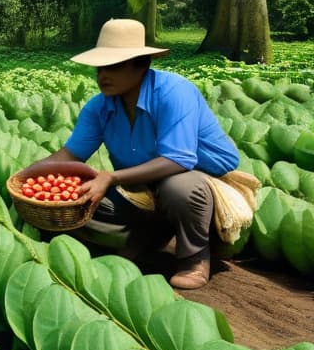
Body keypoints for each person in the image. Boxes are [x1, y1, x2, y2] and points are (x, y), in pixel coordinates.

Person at [25, 18, 239, 289]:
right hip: (139, 183)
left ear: (142, 65)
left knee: (179, 188)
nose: (103, 74)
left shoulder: (175, 92)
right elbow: (70, 155)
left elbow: (179, 159)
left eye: (114, 66)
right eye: (100, 67)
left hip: (196, 175)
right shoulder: (98, 107)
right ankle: (149, 234)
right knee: (79, 200)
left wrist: (110, 178)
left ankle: (195, 258)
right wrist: (28, 175)